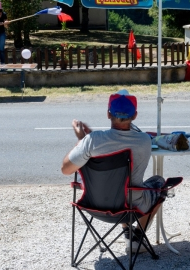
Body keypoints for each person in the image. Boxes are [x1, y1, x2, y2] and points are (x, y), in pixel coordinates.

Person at [61, 89, 165, 253]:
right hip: (131, 208)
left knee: (118, 186)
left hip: (94, 205)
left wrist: (81, 141)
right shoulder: (144, 141)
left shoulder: (91, 141)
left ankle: (127, 231)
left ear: (108, 114)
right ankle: (136, 238)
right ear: (135, 115)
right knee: (159, 182)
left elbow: (66, 169)